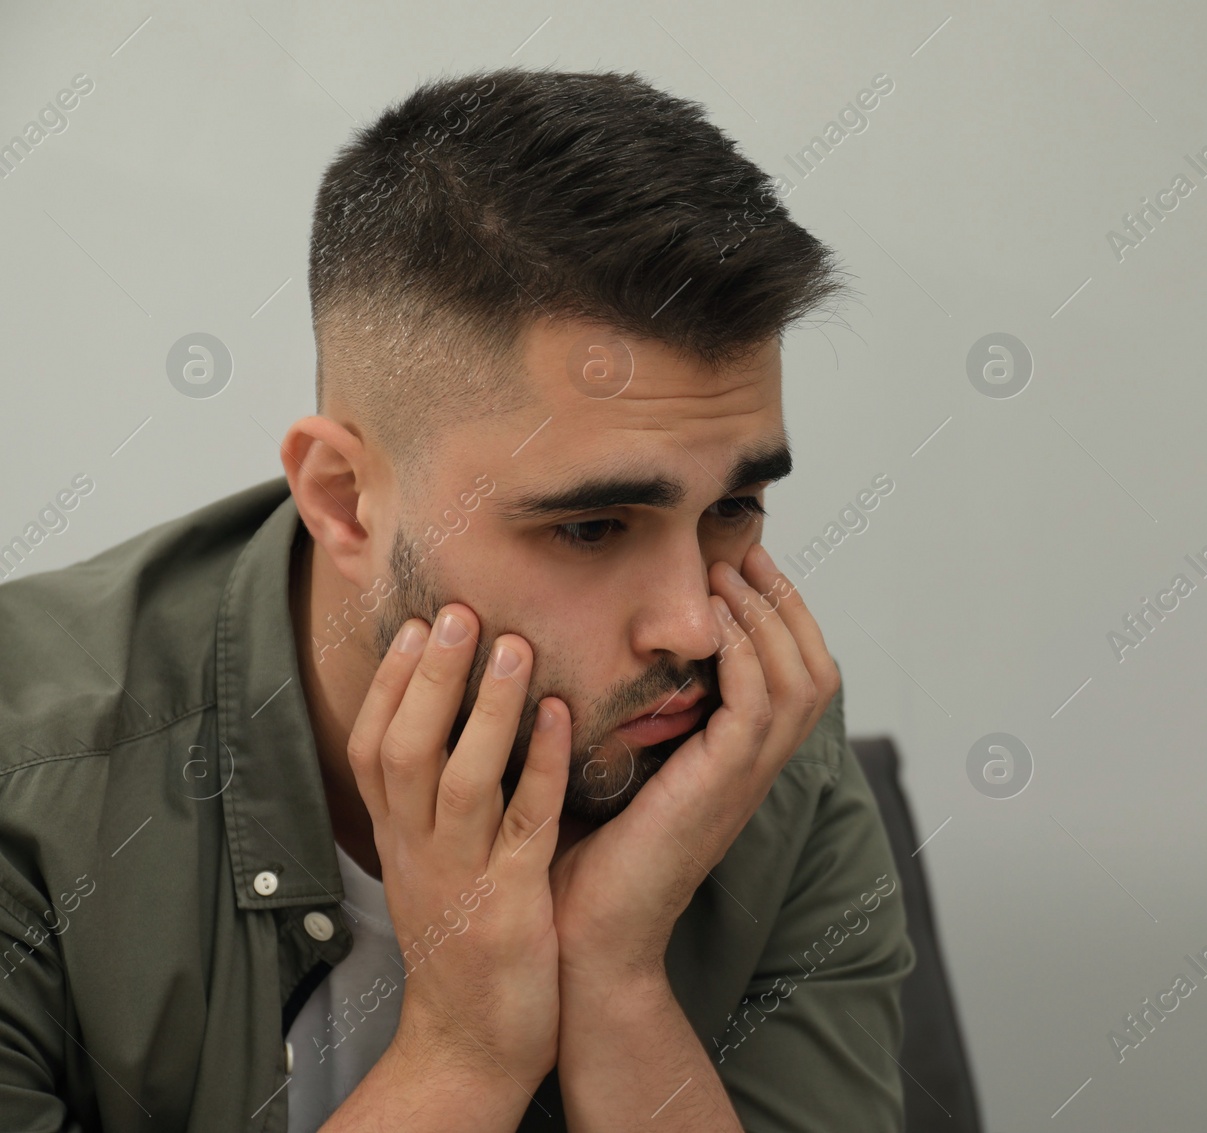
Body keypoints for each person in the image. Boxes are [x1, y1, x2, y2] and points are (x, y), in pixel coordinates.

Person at [0, 66, 914, 1132]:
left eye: (736, 504)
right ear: (345, 503)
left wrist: (616, 979)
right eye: (590, 526)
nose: (695, 625)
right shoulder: (33, 793)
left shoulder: (763, 763)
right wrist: (462, 1047)